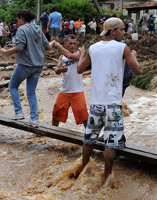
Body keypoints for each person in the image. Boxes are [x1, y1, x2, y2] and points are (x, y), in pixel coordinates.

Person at [76, 17, 141, 185]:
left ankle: (83, 166)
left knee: (89, 138)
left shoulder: (93, 48)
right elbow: (138, 70)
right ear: (113, 31)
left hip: (96, 102)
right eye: (122, 29)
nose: (124, 32)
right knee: (110, 143)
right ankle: (106, 175)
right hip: (113, 102)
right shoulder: (122, 48)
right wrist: (132, 55)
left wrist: (83, 54)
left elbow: (80, 69)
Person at [1, 9, 54, 127]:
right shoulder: (38, 29)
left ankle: (18, 112)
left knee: (13, 86)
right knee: (31, 92)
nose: (17, 22)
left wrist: (7, 51)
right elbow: (47, 46)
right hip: (38, 65)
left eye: (17, 19)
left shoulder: (22, 29)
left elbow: (19, 47)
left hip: (25, 64)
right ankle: (34, 119)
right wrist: (54, 43)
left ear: (21, 19)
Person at [52, 34, 89, 128]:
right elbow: (56, 71)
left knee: (84, 116)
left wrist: (58, 46)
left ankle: (90, 136)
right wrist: (60, 70)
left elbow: (71, 56)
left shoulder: (79, 53)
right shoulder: (62, 57)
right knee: (56, 115)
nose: (73, 45)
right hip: (64, 90)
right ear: (65, 44)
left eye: (74, 44)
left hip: (77, 91)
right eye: (70, 43)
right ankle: (53, 136)